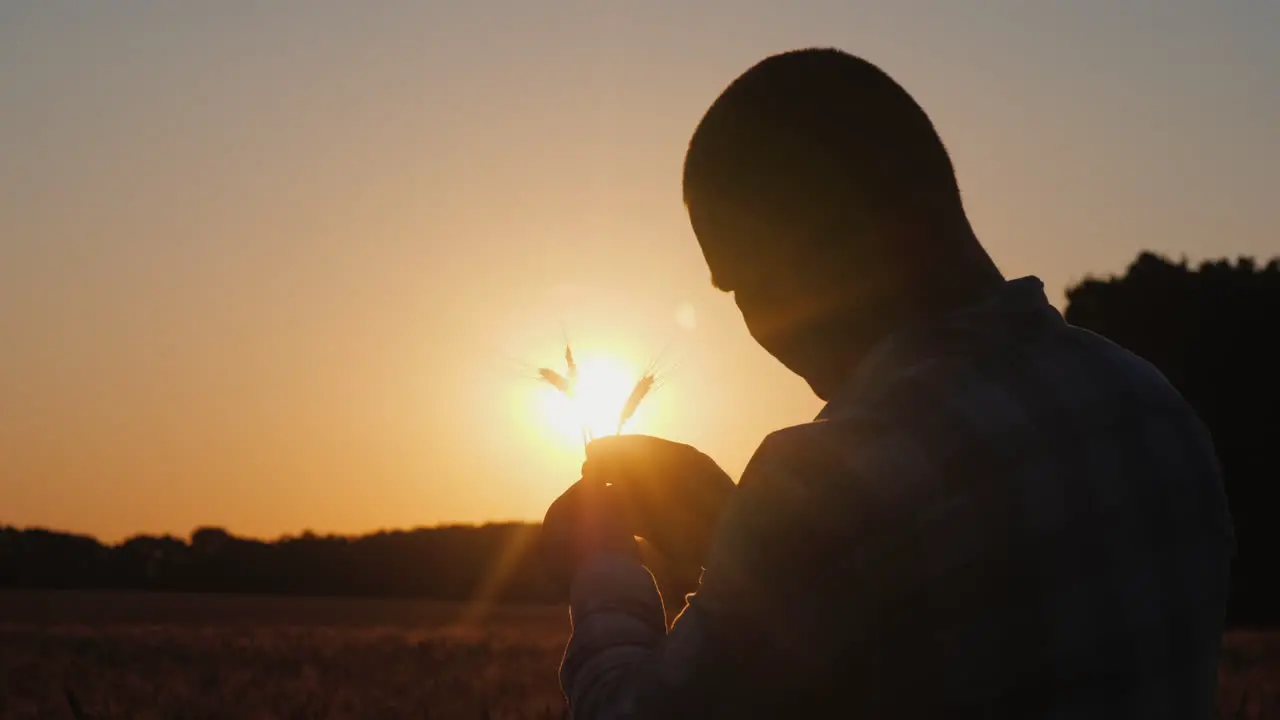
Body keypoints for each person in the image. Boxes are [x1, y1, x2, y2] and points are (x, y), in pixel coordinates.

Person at [538, 48, 1234, 718]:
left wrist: (602, 568)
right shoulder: (1154, 408)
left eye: (747, 281)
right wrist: (737, 545)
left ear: (814, 240)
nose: (760, 322)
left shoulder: (829, 482)